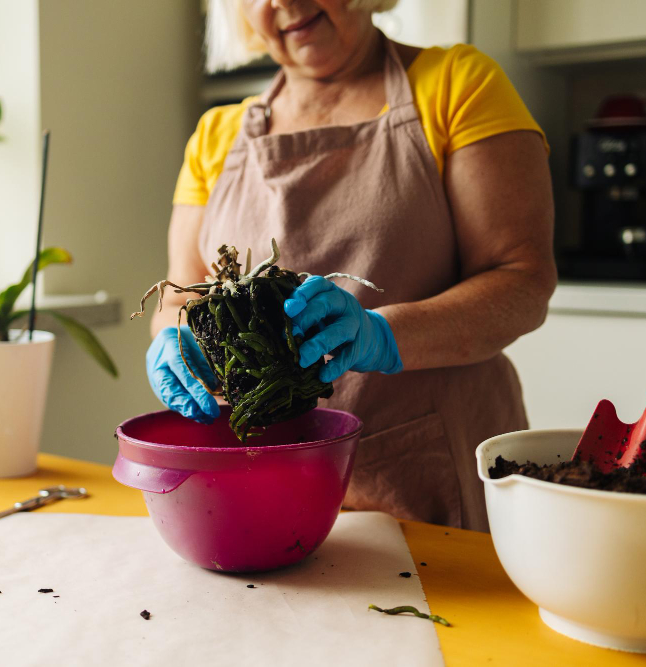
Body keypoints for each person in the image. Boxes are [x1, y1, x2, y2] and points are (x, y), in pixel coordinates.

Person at [146, 0, 556, 531]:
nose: (285, 2)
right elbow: (179, 298)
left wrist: (383, 334)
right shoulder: (214, 136)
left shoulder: (459, 84)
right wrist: (176, 339)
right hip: (269, 484)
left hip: (432, 474)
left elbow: (522, 279)